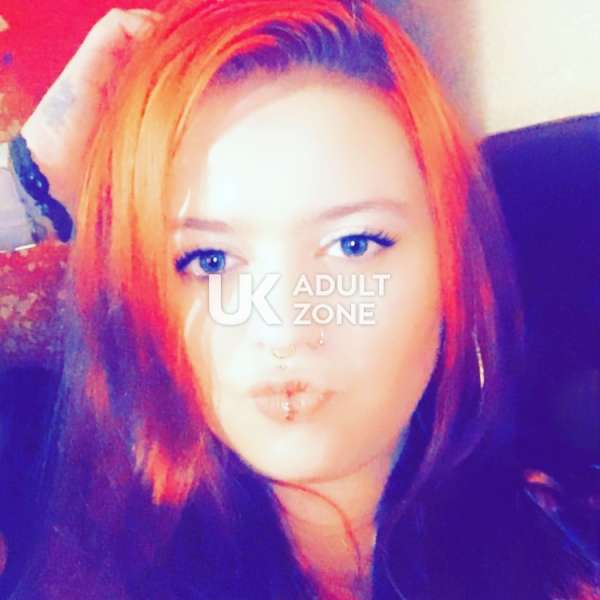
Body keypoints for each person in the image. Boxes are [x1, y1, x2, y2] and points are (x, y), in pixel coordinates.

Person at [0, 1, 597, 598]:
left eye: (354, 245)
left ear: (454, 264)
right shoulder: (74, 559)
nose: (283, 328)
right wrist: (27, 187)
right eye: (210, 260)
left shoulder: (565, 554)